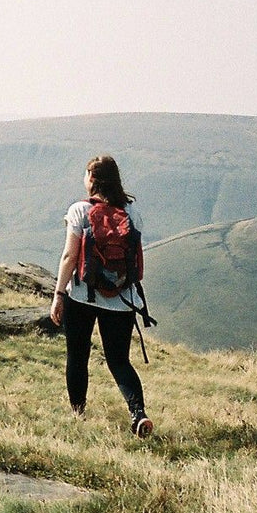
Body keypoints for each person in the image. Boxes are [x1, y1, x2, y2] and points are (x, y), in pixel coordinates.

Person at [50, 154, 154, 437]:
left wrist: (59, 294)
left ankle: (77, 413)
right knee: (119, 360)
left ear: (92, 180)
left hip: (83, 295)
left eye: (86, 175)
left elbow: (70, 255)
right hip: (123, 299)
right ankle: (138, 414)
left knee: (78, 355)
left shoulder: (79, 211)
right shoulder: (132, 213)